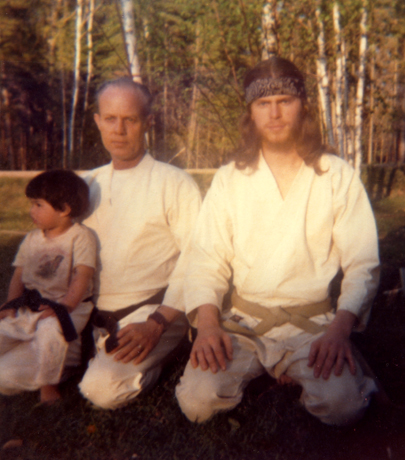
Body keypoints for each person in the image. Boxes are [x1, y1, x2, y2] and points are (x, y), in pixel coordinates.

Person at [175, 57, 380, 426]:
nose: (275, 113)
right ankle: (269, 371)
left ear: (303, 107)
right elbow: (207, 258)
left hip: (312, 323)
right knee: (198, 403)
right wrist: (207, 325)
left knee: (344, 406)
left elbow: (362, 264)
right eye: (263, 104)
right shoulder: (230, 179)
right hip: (244, 322)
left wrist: (339, 331)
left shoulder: (336, 175)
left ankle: (304, 372)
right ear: (250, 114)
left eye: (285, 100)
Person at [78, 77, 201, 409]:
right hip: (91, 314)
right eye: (110, 119)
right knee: (7, 375)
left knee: (101, 391)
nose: (119, 129)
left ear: (148, 123)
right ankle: (97, 350)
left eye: (129, 119)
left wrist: (157, 324)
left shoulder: (174, 183)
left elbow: (199, 259)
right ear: (97, 122)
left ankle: (166, 352)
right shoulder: (86, 184)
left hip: (153, 312)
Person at [0, 170, 96, 403]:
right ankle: (28, 353)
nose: (31, 211)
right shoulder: (32, 238)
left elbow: (82, 275)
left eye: (38, 205)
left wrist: (66, 305)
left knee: (50, 332)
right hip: (33, 306)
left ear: (64, 209)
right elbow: (18, 276)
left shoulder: (80, 237)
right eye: (32, 204)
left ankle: (48, 384)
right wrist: (11, 305)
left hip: (66, 307)